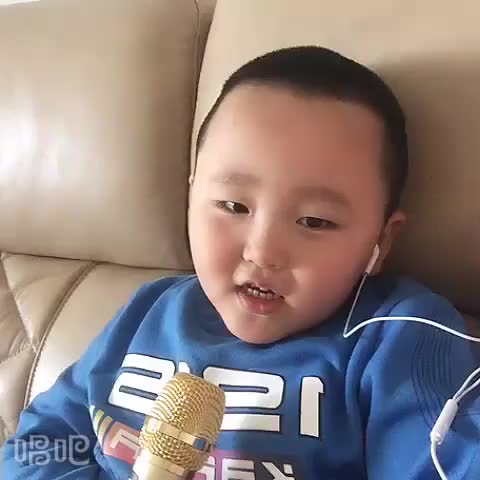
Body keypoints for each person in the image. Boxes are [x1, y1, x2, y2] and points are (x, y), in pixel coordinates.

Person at [3, 46, 479, 479]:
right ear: (191, 197)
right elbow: (41, 443)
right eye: (233, 206)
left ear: (381, 241)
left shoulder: (399, 335)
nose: (262, 251)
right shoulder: (149, 310)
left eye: (315, 221)